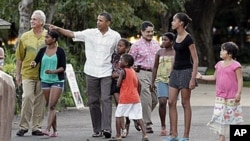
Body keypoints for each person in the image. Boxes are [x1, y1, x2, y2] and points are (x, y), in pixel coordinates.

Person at [48, 11, 121, 138]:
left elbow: (118, 53)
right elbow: (72, 34)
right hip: (91, 71)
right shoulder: (90, 33)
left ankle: (107, 128)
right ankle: (97, 129)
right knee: (93, 101)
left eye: (101, 20)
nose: (98, 22)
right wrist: (57, 29)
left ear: (108, 23)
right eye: (97, 20)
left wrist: (117, 70)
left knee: (106, 99)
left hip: (106, 72)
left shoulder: (115, 36)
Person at [197, 41, 243, 141]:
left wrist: (238, 93)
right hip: (220, 96)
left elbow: (240, 79)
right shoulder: (218, 64)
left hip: (232, 97)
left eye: (223, 50)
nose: (220, 51)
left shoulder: (236, 65)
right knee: (220, 116)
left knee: (234, 118)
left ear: (230, 54)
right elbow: (214, 77)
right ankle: (221, 137)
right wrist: (201, 76)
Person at [166, 12, 199, 141]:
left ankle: (186, 136)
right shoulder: (175, 36)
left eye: (174, 20)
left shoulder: (189, 38)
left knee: (185, 103)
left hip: (186, 71)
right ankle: (173, 134)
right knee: (171, 101)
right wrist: (171, 72)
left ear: (181, 23)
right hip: (175, 72)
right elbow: (175, 56)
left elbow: (195, 59)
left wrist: (193, 77)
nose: (172, 22)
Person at [15, 10, 47, 136]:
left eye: (34, 19)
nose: (31, 21)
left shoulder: (48, 36)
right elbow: (19, 57)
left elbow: (54, 52)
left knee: (40, 101)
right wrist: (18, 74)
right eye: (31, 19)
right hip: (28, 73)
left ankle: (36, 127)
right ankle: (23, 126)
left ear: (41, 22)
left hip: (44, 74)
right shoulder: (25, 37)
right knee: (27, 97)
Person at [30, 30, 66, 137]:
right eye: (45, 37)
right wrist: (33, 64)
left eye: (48, 37)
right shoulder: (42, 50)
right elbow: (36, 61)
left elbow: (63, 67)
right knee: (51, 107)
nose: (45, 39)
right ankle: (55, 131)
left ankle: (47, 129)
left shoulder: (60, 51)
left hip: (57, 81)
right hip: (45, 80)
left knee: (51, 105)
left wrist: (53, 71)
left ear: (54, 39)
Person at [129, 21, 160, 133]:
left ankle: (138, 118)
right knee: (146, 96)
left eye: (152, 31)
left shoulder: (156, 44)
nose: (150, 34)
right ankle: (146, 124)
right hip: (141, 72)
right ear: (142, 32)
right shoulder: (136, 45)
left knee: (155, 99)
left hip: (154, 73)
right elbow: (129, 60)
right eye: (148, 32)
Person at [113, 54, 149, 141]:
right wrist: (138, 94)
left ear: (126, 63)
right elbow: (139, 84)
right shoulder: (133, 71)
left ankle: (118, 135)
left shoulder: (122, 71)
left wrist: (118, 80)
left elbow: (118, 85)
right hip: (135, 98)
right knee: (139, 117)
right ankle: (145, 135)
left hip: (125, 98)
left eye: (121, 60)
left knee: (118, 115)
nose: (119, 62)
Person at [151, 32, 175, 136]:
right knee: (162, 101)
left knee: (171, 104)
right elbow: (155, 67)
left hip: (173, 80)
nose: (163, 42)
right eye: (162, 40)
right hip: (161, 80)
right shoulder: (159, 52)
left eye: (166, 40)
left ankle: (172, 127)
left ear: (171, 41)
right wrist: (152, 81)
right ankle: (163, 126)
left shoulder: (176, 52)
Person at [110, 38, 131, 137]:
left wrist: (118, 75)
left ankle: (127, 121)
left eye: (121, 46)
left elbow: (129, 71)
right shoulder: (114, 56)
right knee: (119, 105)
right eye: (118, 45)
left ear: (126, 48)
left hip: (124, 83)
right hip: (115, 83)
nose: (118, 47)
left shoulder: (128, 58)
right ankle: (123, 129)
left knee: (123, 106)